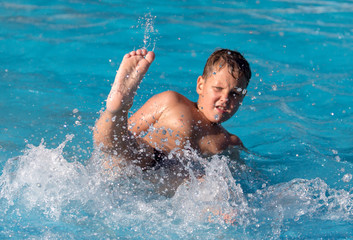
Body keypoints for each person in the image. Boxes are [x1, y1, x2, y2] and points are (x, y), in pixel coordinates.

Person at [94, 48, 251, 179]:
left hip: (178, 176)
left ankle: (116, 110)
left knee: (207, 183)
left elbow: (245, 173)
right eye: (218, 89)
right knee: (120, 143)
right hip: (151, 157)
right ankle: (118, 107)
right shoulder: (172, 101)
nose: (225, 98)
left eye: (235, 94)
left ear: (242, 98)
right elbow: (128, 131)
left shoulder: (231, 142)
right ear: (201, 85)